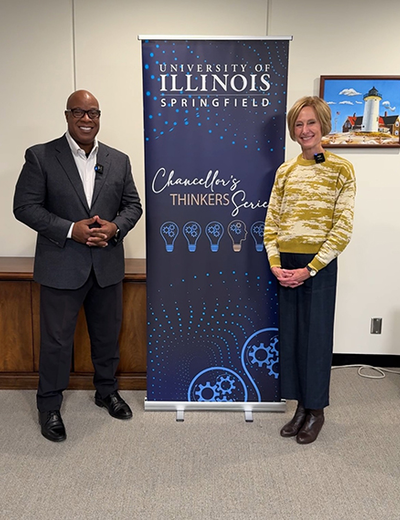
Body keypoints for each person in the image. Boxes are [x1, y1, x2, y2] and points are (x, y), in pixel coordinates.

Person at [14, 90, 143, 442]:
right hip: (61, 265)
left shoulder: (119, 160)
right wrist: (72, 230)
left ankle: (106, 391)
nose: (87, 119)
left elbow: (133, 205)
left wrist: (115, 228)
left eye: (93, 113)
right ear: (68, 116)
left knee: (107, 336)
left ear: (99, 117)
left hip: (106, 264)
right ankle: (49, 406)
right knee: (56, 342)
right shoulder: (41, 156)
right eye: (79, 113)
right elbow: (24, 207)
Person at [264, 96, 356, 444]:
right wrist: (275, 263)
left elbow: (343, 226)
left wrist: (311, 268)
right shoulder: (285, 171)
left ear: (323, 126)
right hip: (285, 264)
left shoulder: (341, 169)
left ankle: (316, 410)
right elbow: (271, 220)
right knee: (291, 338)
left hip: (318, 265)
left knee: (315, 340)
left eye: (311, 123)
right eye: (299, 124)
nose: (305, 130)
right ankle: (300, 407)